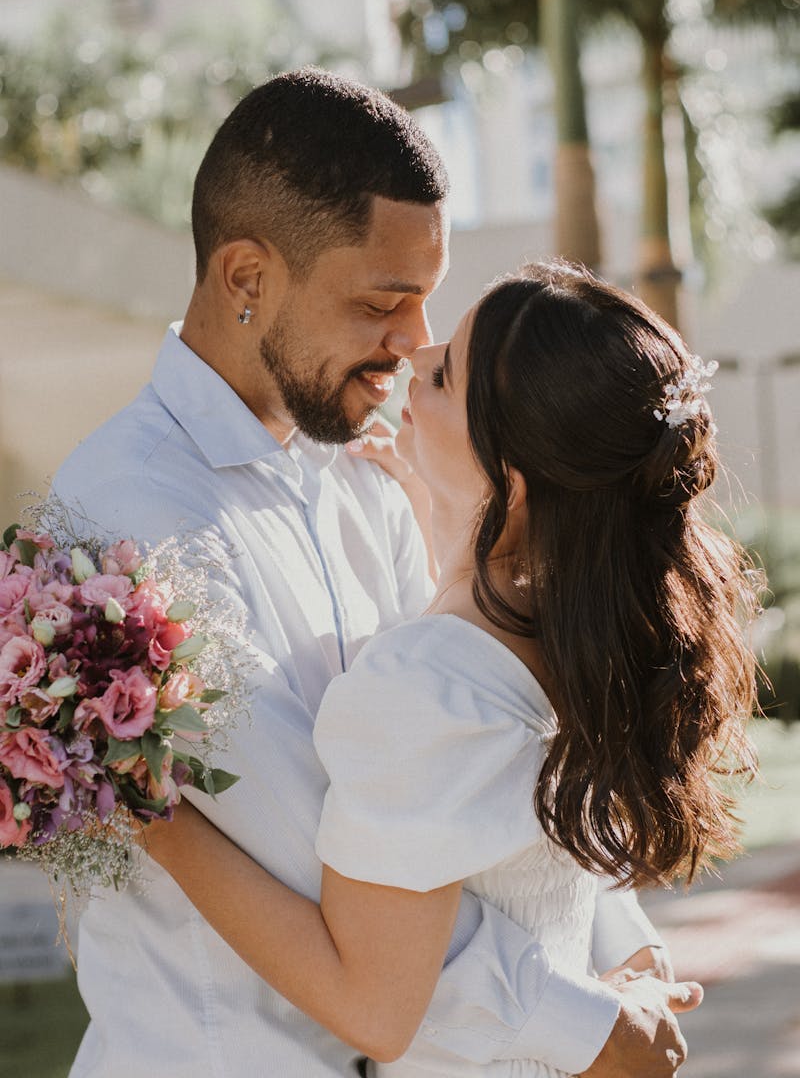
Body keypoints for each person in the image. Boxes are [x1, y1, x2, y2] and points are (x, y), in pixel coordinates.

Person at [54, 70, 696, 1078]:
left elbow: (476, 764)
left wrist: (627, 954)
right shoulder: (130, 509)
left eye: (426, 300)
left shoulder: (365, 470)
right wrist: (580, 1022)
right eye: (381, 302)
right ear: (244, 279)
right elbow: (326, 859)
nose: (412, 342)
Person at [141, 263, 758, 1077]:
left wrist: (153, 819)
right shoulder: (569, 640)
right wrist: (442, 495)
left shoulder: (426, 681)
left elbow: (374, 1010)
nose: (413, 357)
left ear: (511, 478)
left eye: (444, 374)